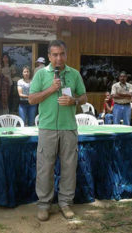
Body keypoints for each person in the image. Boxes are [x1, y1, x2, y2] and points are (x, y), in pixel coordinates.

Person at [28, 40, 87, 221]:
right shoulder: (40, 75)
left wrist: (74, 101)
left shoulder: (74, 74)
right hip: (47, 128)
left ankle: (65, 203)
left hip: (68, 128)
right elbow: (31, 99)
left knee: (69, 167)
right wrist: (51, 89)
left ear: (66, 55)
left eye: (62, 54)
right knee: (45, 168)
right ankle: (44, 204)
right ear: (49, 56)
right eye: (55, 54)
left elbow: (84, 97)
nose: (58, 58)